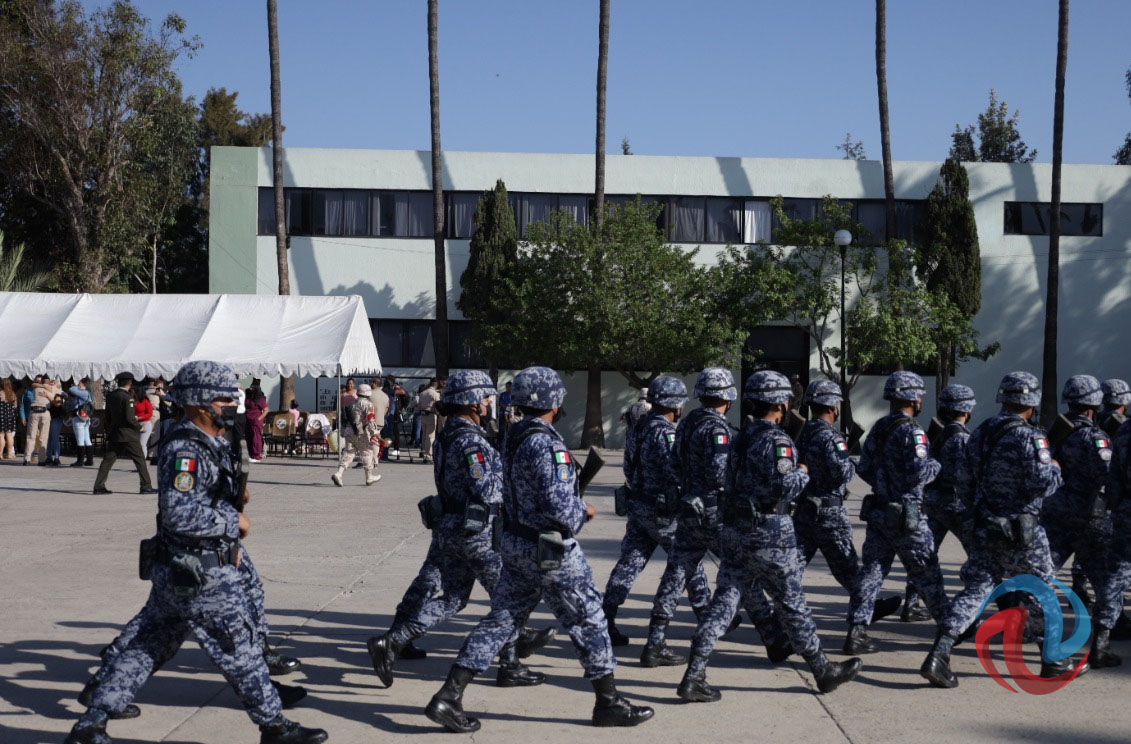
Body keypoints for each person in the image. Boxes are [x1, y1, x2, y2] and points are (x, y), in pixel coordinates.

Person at [63, 360, 327, 744]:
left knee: (148, 646)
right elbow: (179, 513)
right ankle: (275, 727)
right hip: (201, 574)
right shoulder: (186, 448)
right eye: (223, 398)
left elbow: (202, 496)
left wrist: (232, 498)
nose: (231, 404)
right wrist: (232, 523)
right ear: (201, 402)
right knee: (241, 652)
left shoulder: (208, 440)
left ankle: (92, 722)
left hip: (182, 570)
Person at [424, 366, 654, 733]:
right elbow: (561, 508)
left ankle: (449, 696)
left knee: (501, 619)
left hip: (516, 543)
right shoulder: (547, 443)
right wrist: (585, 510)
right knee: (589, 618)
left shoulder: (511, 437)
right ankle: (608, 703)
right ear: (553, 401)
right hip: (550, 549)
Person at [677, 370, 861, 702]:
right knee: (792, 602)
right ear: (780, 402)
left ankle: (694, 673)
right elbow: (785, 486)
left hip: (736, 530)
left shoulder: (741, 437)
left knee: (724, 602)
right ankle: (822, 670)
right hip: (770, 533)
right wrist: (803, 472)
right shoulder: (778, 442)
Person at [367, 370, 546, 689]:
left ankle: (394, 640)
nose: (491, 403)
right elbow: (485, 488)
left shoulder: (451, 433)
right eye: (487, 398)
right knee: (507, 596)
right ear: (473, 403)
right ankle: (510, 664)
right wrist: (513, 477)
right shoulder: (471, 440)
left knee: (453, 598)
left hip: (452, 526)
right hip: (476, 530)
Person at [921, 371, 1087, 688]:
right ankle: (1052, 660)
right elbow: (1043, 484)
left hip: (986, 526)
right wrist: (1055, 468)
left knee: (976, 591)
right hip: (1024, 530)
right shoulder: (1032, 437)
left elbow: (964, 482)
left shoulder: (981, 431)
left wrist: (982, 510)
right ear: (1032, 400)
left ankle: (939, 653)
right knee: (1042, 590)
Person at [642, 368, 785, 668]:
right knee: (741, 573)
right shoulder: (718, 430)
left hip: (688, 509)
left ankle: (655, 641)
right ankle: (771, 637)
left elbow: (674, 464)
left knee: (676, 573)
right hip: (715, 513)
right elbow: (720, 473)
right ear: (727, 399)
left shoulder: (686, 424)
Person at [844, 371, 949, 655]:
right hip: (908, 517)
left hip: (880, 512)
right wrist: (936, 465)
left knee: (872, 572)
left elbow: (863, 467)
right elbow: (919, 473)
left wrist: (884, 484)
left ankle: (856, 631)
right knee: (927, 572)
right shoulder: (913, 432)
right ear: (913, 398)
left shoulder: (879, 427)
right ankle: (952, 629)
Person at [602, 376, 711, 647]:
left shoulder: (638, 428)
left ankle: (606, 617)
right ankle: (708, 614)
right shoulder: (667, 432)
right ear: (675, 405)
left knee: (629, 562)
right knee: (689, 560)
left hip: (638, 503)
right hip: (663, 511)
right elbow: (677, 471)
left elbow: (628, 467)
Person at [793, 380, 901, 620]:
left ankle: (785, 609)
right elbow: (843, 473)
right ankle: (866, 609)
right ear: (832, 406)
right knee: (848, 567)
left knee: (794, 565)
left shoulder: (804, 432)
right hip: (829, 513)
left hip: (805, 510)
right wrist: (852, 462)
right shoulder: (832, 438)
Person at [1040, 375, 1120, 668]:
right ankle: (1099, 647)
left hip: (1056, 514)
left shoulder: (1055, 432)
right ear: (1094, 404)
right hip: (1090, 519)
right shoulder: (1095, 437)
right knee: (1107, 584)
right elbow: (1107, 474)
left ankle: (1036, 632)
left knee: (1043, 577)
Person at [902, 384, 977, 622]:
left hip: (933, 501)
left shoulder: (935, 433)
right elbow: (963, 477)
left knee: (925, 554)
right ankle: (974, 607)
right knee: (979, 556)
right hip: (956, 504)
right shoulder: (962, 438)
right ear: (966, 410)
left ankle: (912, 603)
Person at [93, 372, 156, 495]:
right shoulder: (128, 398)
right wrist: (139, 428)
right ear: (130, 382)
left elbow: (108, 416)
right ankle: (146, 486)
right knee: (140, 460)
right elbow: (129, 418)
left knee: (107, 461)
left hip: (115, 433)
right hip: (128, 434)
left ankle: (98, 486)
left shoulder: (111, 395)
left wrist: (109, 429)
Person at [330, 383, 382, 487]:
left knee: (348, 453)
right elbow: (371, 420)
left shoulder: (353, 404)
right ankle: (369, 476)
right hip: (361, 433)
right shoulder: (368, 404)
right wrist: (376, 433)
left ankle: (339, 473)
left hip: (349, 432)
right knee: (367, 453)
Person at [21, 374, 49, 465]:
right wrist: (23, 416)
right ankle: (27, 458)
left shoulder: (48, 388)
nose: (38, 383)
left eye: (40, 381)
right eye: (37, 381)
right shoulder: (29, 389)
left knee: (42, 437)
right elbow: (22, 403)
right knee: (31, 436)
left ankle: (41, 459)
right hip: (33, 412)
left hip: (44, 412)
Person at [68, 379, 95, 467]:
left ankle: (80, 461)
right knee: (87, 438)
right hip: (86, 418)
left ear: (85, 385)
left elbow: (71, 389)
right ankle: (89, 460)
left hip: (79, 417)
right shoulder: (88, 393)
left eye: (80, 384)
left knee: (79, 439)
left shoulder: (84, 392)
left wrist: (77, 387)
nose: (78, 385)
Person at [419, 378, 442, 463]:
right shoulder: (435, 394)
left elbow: (419, 405)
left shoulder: (422, 393)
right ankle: (428, 456)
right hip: (431, 415)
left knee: (424, 435)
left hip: (423, 415)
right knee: (430, 436)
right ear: (435, 384)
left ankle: (424, 453)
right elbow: (439, 405)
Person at [245, 379, 268, 463]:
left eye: (252, 387)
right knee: (249, 438)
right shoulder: (249, 397)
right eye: (250, 386)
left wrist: (258, 418)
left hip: (256, 421)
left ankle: (256, 456)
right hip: (247, 420)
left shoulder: (260, 399)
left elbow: (266, 410)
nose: (250, 388)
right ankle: (251, 455)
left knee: (256, 438)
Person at [45, 392, 67, 466]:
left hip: (56, 421)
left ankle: (56, 457)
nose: (58, 401)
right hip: (52, 420)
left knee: (54, 439)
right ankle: (50, 457)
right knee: (50, 439)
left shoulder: (61, 405)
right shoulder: (52, 404)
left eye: (60, 400)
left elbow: (61, 408)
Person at [134, 385, 155, 460]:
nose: (133, 393)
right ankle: (139, 462)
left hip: (145, 424)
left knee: (142, 443)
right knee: (137, 444)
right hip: (136, 424)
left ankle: (142, 462)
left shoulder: (146, 401)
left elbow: (149, 413)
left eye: (135, 392)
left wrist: (140, 417)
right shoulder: (134, 401)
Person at [0, 378, 17, 459]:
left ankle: (0, 454)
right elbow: (15, 406)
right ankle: (10, 454)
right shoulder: (12, 394)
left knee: (1, 434)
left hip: (1, 415)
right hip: (10, 416)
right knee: (9, 434)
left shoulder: (0, 393)